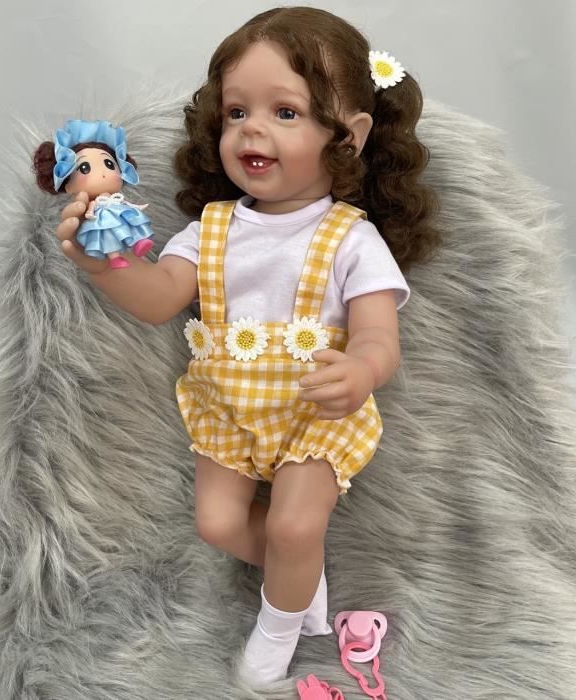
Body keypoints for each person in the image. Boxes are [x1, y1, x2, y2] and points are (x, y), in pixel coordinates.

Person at [54, 6, 440, 688]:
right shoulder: (212, 228)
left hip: (316, 414)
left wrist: (360, 369)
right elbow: (159, 297)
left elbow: (381, 335)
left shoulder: (350, 238)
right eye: (237, 112)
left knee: (293, 527)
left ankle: (278, 625)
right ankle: (300, 575)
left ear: (348, 136)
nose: (252, 130)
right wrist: (101, 264)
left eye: (285, 112)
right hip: (229, 409)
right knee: (218, 523)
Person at [34, 120, 154, 269]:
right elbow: (90, 208)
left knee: (132, 221)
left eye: (109, 164)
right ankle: (114, 257)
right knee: (107, 236)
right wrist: (90, 213)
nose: (103, 173)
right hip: (101, 217)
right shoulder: (93, 202)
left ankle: (139, 243)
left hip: (119, 211)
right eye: (85, 168)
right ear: (68, 186)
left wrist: (134, 207)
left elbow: (125, 203)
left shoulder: (117, 199)